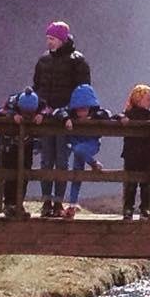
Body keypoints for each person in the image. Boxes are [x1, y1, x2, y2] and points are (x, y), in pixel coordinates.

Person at [32, 20, 91, 213]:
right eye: (48, 38)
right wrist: (40, 107)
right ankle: (47, 200)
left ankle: (58, 201)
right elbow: (38, 87)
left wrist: (71, 112)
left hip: (66, 119)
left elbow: (83, 91)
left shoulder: (77, 61)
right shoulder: (43, 60)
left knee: (62, 161)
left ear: (62, 39)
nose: (49, 42)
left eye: (53, 38)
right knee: (46, 160)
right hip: (48, 117)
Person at [56, 83, 111, 220]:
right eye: (78, 109)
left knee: (78, 150)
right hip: (77, 145)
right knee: (76, 175)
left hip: (90, 145)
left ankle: (93, 163)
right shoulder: (69, 113)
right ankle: (72, 205)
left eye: (84, 109)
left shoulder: (97, 113)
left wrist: (95, 118)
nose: (81, 112)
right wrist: (66, 119)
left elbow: (108, 114)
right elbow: (57, 112)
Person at [116, 84, 150, 221]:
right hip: (131, 154)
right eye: (148, 99)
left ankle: (145, 208)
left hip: (146, 155)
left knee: (146, 184)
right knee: (130, 183)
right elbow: (116, 116)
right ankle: (128, 208)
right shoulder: (128, 114)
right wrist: (120, 118)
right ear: (138, 99)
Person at [0, 87, 45, 218]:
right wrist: (13, 115)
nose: (28, 115)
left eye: (31, 112)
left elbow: (49, 110)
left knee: (25, 173)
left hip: (27, 144)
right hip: (10, 144)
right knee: (10, 173)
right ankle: (8, 204)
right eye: (25, 112)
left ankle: (19, 203)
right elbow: (2, 111)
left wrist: (41, 115)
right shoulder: (12, 101)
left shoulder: (40, 103)